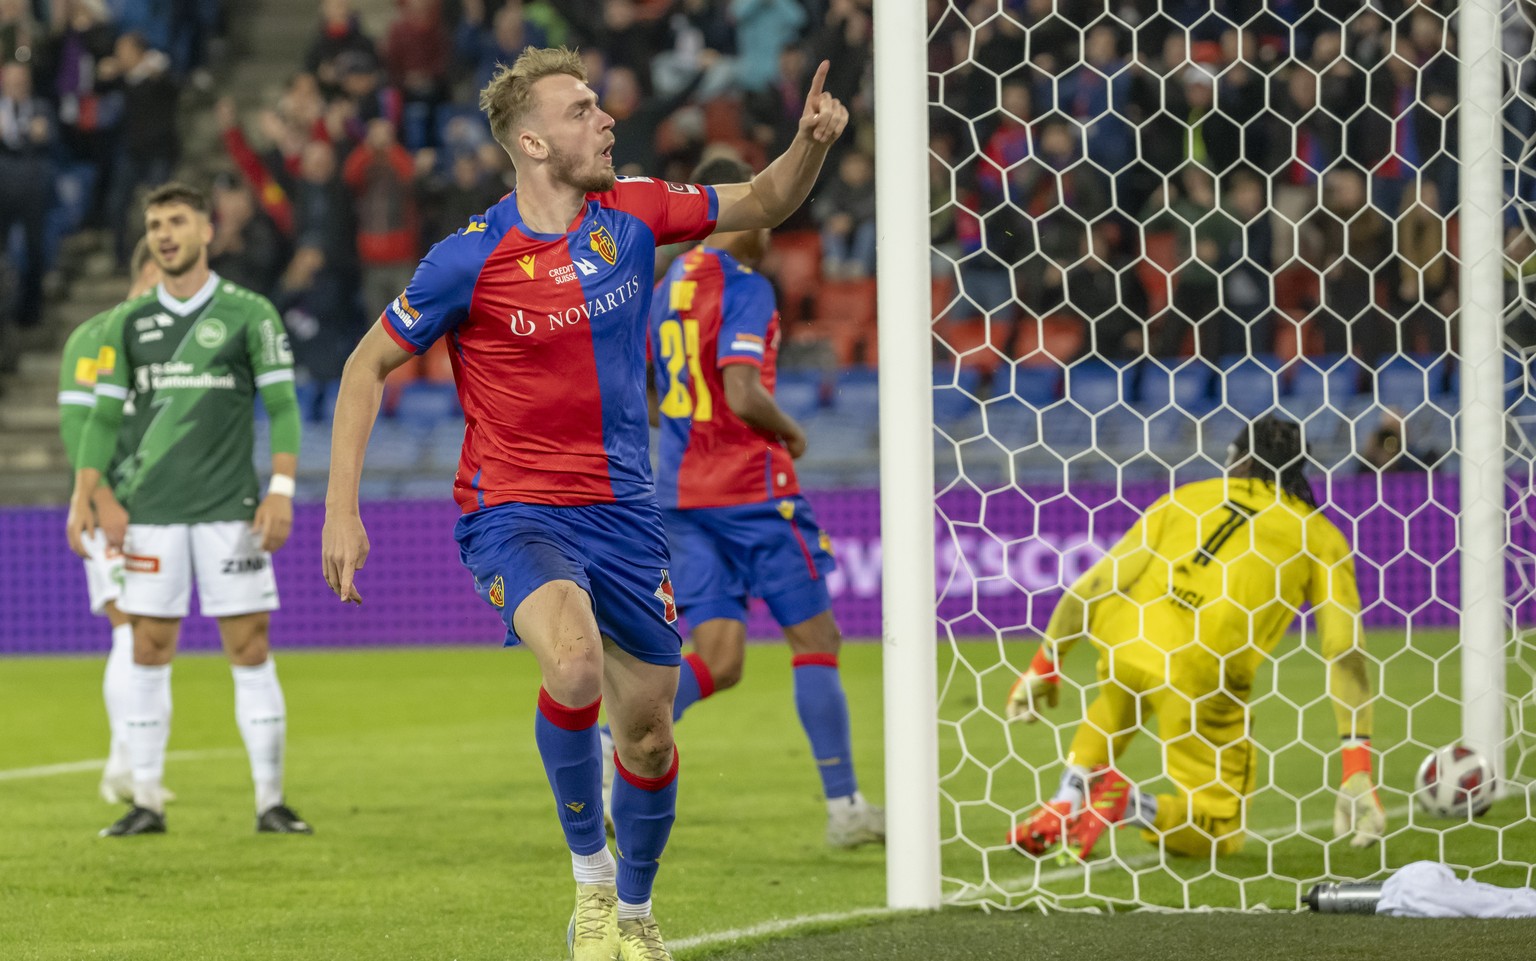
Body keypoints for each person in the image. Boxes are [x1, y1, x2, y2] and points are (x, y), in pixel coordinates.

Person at [320, 46, 846, 961]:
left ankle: (636, 911)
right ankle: (593, 891)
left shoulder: (634, 215)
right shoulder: (467, 259)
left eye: (601, 106)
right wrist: (340, 508)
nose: (606, 120)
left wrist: (809, 144)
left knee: (645, 733)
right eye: (583, 109)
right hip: (514, 509)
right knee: (571, 665)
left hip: (628, 518)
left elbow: (761, 201)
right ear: (531, 139)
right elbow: (365, 364)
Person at [639, 154, 883, 849]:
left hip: (681, 495)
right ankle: (845, 808)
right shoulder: (746, 287)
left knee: (718, 657)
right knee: (818, 639)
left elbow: (652, 394)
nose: (770, 231)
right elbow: (743, 389)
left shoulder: (666, 287)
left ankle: (605, 743)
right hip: (751, 490)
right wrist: (791, 429)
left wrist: (693, 426)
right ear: (737, 212)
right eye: (763, 214)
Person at [1005, 415, 1384, 860]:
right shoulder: (1320, 535)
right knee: (1221, 832)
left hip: (1128, 640)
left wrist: (1044, 665)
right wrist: (1356, 766)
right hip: (1205, 672)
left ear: (1235, 460)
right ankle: (1128, 805)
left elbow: (1094, 584)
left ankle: (1067, 797)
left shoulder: (1186, 497)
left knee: (1116, 704)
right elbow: (1345, 649)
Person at [64, 183, 311, 839]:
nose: (165, 233)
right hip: (151, 514)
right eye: (155, 224)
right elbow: (102, 417)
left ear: (208, 229)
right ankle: (145, 799)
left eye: (177, 221)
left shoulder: (249, 312)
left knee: (249, 644)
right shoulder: (129, 322)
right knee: (147, 645)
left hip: (231, 510)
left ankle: (270, 801)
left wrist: (281, 490)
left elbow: (284, 408)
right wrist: (88, 493)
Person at [57, 237, 175, 805]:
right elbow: (79, 428)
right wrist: (100, 499)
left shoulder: (164, 343)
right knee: (130, 627)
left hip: (163, 507)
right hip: (116, 505)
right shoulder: (95, 338)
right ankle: (124, 765)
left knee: (152, 632)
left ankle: (128, 765)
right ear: (149, 269)